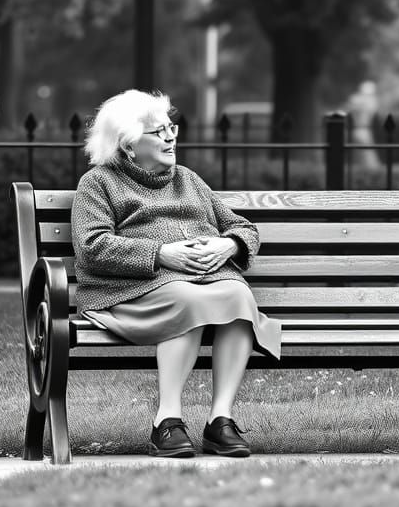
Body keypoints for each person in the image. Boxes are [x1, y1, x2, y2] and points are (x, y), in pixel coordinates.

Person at [71, 89, 281, 459]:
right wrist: (161, 254)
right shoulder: (99, 183)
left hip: (204, 284)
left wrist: (229, 245)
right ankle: (166, 420)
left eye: (172, 127)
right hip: (130, 292)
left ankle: (221, 421)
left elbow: (243, 227)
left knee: (238, 296)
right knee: (187, 298)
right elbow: (92, 245)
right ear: (129, 145)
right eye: (158, 131)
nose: (170, 137)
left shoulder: (188, 179)